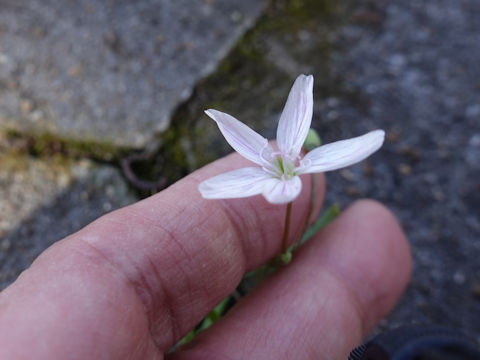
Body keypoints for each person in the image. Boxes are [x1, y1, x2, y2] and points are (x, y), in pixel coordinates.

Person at [0, 151, 412, 359]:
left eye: (288, 160)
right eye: (284, 160)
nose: (285, 159)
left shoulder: (291, 173)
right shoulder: (279, 175)